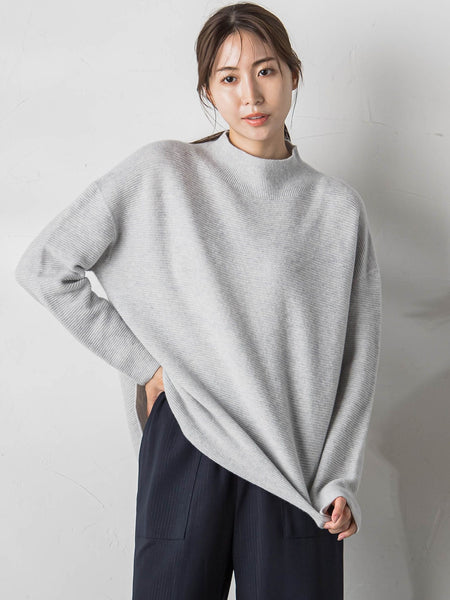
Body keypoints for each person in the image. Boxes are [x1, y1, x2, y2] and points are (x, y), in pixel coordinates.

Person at [14, 3, 382, 599]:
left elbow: (356, 361)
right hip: (190, 438)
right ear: (208, 91)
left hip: (294, 461)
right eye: (228, 78)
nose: (250, 95)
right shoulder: (164, 173)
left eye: (265, 70)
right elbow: (46, 267)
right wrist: (146, 367)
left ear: (293, 74)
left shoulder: (336, 209)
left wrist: (340, 475)